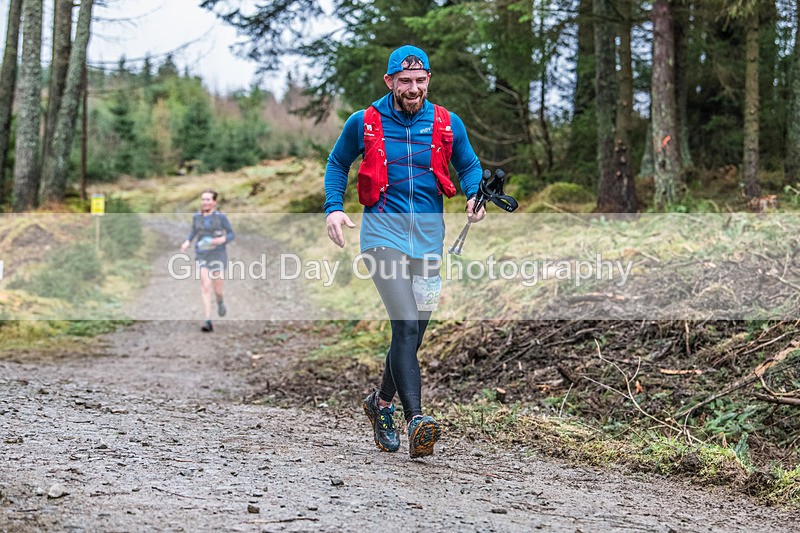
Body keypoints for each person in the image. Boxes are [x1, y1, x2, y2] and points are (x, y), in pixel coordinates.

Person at [323, 45, 486, 458]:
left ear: (428, 79)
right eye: (405, 81)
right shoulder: (364, 122)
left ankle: (380, 403)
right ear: (390, 81)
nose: (413, 88)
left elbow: (469, 166)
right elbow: (337, 163)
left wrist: (473, 195)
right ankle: (416, 419)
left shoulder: (448, 122)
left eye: (420, 80)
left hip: (429, 241)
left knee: (413, 333)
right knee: (407, 325)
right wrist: (334, 208)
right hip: (382, 237)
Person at [180, 190, 235, 332]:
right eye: (203, 199)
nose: (205, 202)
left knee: (217, 288)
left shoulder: (221, 217)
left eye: (208, 200)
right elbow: (193, 231)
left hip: (218, 254)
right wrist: (187, 242)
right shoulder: (196, 217)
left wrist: (223, 239)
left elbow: (231, 233)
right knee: (205, 285)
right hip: (202, 254)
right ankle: (207, 320)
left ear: (214, 202)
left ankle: (220, 301)